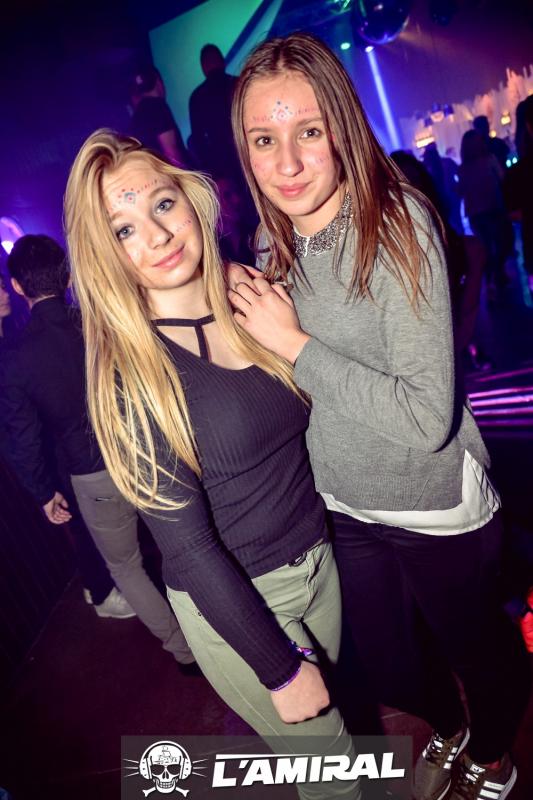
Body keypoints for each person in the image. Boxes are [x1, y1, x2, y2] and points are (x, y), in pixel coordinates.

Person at [227, 33, 530, 800]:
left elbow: (426, 419)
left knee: (477, 652)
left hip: (433, 504)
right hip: (345, 504)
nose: (287, 163)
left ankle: (494, 755)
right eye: (264, 140)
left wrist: (292, 344)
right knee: (390, 666)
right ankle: (451, 729)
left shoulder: (397, 227)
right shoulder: (270, 241)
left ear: (342, 127)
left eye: (308, 131)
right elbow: (289, 381)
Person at [64, 129, 361, 800]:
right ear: (105, 254)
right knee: (341, 780)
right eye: (123, 229)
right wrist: (279, 668)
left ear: (191, 200)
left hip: (320, 565)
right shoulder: (133, 376)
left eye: (162, 204)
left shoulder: (250, 302)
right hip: (240, 605)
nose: (157, 235)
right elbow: (189, 549)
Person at [0, 236, 195, 671]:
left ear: (17, 286)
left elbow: (22, 438)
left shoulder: (17, 359)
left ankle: (184, 651)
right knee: (184, 546)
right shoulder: (103, 322)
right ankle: (217, 630)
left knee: (126, 567)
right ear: (69, 276)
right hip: (144, 452)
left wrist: (43, 492)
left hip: (91, 474)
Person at [458, 129, 509, 298]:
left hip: (481, 212)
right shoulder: (488, 160)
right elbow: (502, 179)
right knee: (498, 245)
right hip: (491, 209)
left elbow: (462, 191)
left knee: (491, 246)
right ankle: (496, 276)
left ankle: (493, 278)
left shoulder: (465, 168)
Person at [188, 44, 239, 180]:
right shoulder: (239, 84)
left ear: (203, 67)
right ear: (222, 61)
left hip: (221, 166)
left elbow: (198, 141)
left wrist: (211, 174)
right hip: (247, 154)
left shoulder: (197, 97)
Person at [130, 66, 189, 168]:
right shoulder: (158, 107)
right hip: (172, 173)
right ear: (158, 81)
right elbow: (172, 152)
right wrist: (185, 175)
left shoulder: (137, 115)